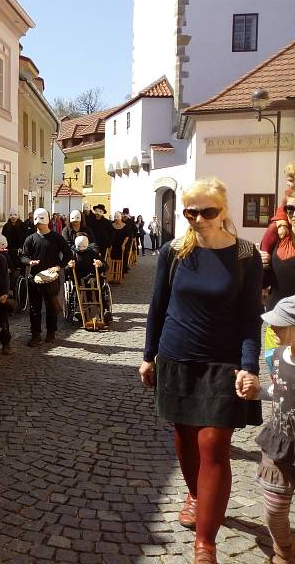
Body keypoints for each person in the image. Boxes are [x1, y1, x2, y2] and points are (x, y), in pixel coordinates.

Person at [140, 177, 263, 564]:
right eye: (189, 211)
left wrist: (249, 366)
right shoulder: (174, 251)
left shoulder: (245, 255)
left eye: (206, 211)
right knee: (185, 440)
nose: (197, 219)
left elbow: (250, 318)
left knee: (213, 446)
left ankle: (205, 544)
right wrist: (148, 356)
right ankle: (194, 494)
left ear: (223, 211)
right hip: (177, 359)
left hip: (223, 364)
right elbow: (157, 306)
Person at [239, 295, 295, 564]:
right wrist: (258, 392)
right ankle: (283, 549)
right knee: (273, 509)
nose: (271, 329)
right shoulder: (280, 356)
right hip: (280, 442)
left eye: (279, 325)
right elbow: (279, 389)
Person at [22, 208, 73, 346]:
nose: (39, 225)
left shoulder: (57, 238)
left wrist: (59, 266)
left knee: (51, 307)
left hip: (52, 278)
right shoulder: (30, 239)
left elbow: (68, 254)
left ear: (48, 221)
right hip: (34, 279)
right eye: (37, 222)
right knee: (34, 308)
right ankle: (36, 334)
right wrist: (29, 261)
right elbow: (23, 256)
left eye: (41, 222)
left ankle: (51, 333)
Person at [2, 207, 28, 273]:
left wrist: (21, 247)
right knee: (11, 266)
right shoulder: (6, 226)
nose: (13, 217)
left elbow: (25, 237)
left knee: (21, 266)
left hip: (20, 250)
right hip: (9, 249)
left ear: (18, 216)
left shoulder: (22, 225)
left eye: (15, 215)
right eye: (11, 215)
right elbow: (3, 238)